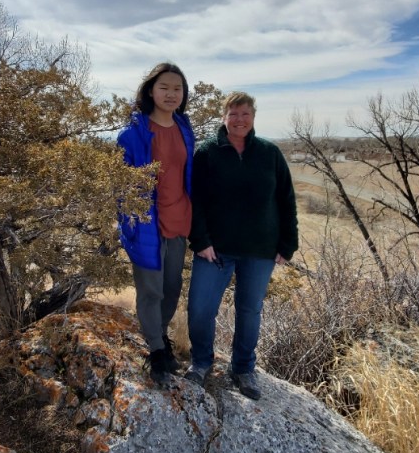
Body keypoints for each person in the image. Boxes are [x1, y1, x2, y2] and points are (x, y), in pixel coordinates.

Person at [185, 91, 298, 400]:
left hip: (259, 250)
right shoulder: (207, 153)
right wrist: (201, 240)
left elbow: (286, 200)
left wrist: (288, 243)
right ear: (224, 117)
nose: (239, 119)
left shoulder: (269, 153)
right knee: (200, 309)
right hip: (215, 250)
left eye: (245, 113)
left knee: (249, 311)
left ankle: (243, 368)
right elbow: (195, 201)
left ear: (253, 117)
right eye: (233, 114)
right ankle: (201, 362)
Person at [116, 62, 196, 384]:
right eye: (164, 87)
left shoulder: (184, 129)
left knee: (171, 287)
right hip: (146, 224)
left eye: (178, 89)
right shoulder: (132, 134)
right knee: (150, 290)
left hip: (179, 220)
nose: (171, 94)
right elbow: (122, 187)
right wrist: (130, 224)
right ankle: (155, 350)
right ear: (151, 90)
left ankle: (160, 336)